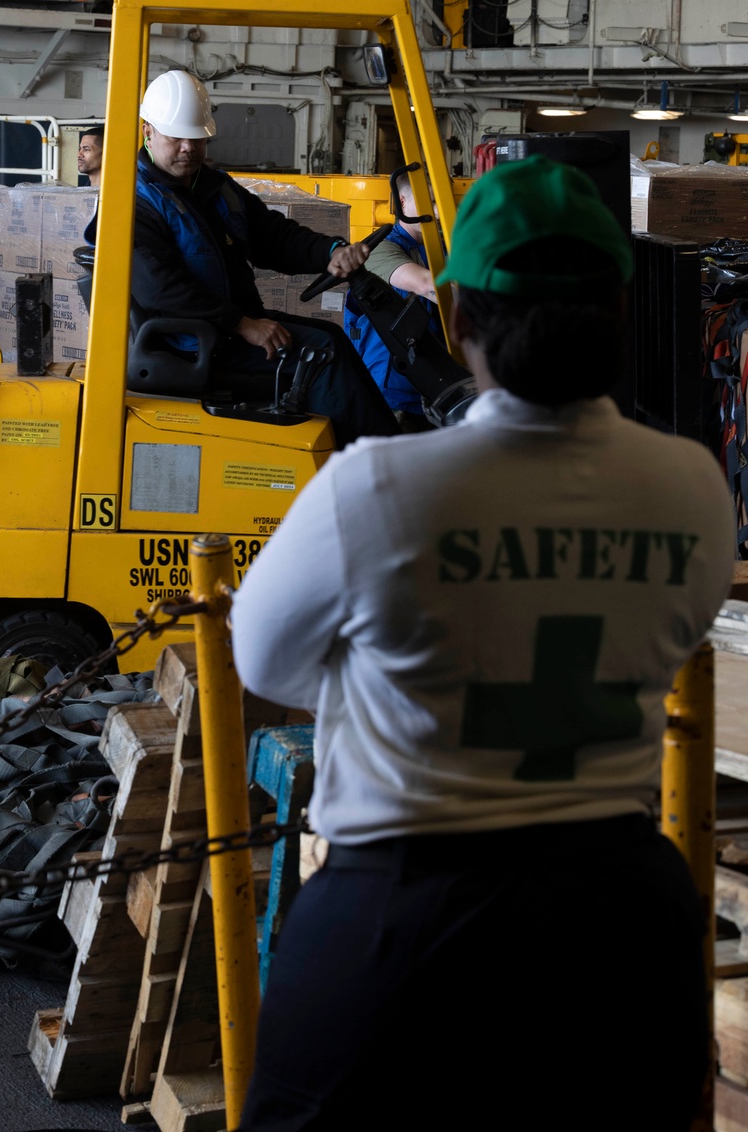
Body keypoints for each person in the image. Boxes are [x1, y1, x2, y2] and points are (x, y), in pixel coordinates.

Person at [231, 155, 734, 1132]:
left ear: (457, 316)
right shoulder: (692, 491)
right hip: (623, 929)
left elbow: (265, 661)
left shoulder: (377, 489)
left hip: (403, 927)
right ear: (620, 317)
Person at [132, 70, 398, 449]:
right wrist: (242, 324)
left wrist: (330, 252)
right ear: (148, 133)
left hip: (223, 328)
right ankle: (376, 467)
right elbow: (161, 289)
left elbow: (272, 236)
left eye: (197, 138)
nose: (189, 148)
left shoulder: (211, 186)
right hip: (192, 342)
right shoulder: (136, 202)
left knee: (333, 337)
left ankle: (381, 454)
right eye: (176, 137)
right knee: (320, 354)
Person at [345, 168, 441, 427]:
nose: (439, 211)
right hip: (394, 393)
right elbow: (426, 285)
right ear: (402, 202)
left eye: (442, 202)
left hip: (436, 386)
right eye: (431, 201)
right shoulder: (380, 249)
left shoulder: (440, 249)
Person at [77, 124, 104, 189]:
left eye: (86, 149)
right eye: (80, 149)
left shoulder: (119, 193)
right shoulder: (84, 193)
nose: (79, 154)